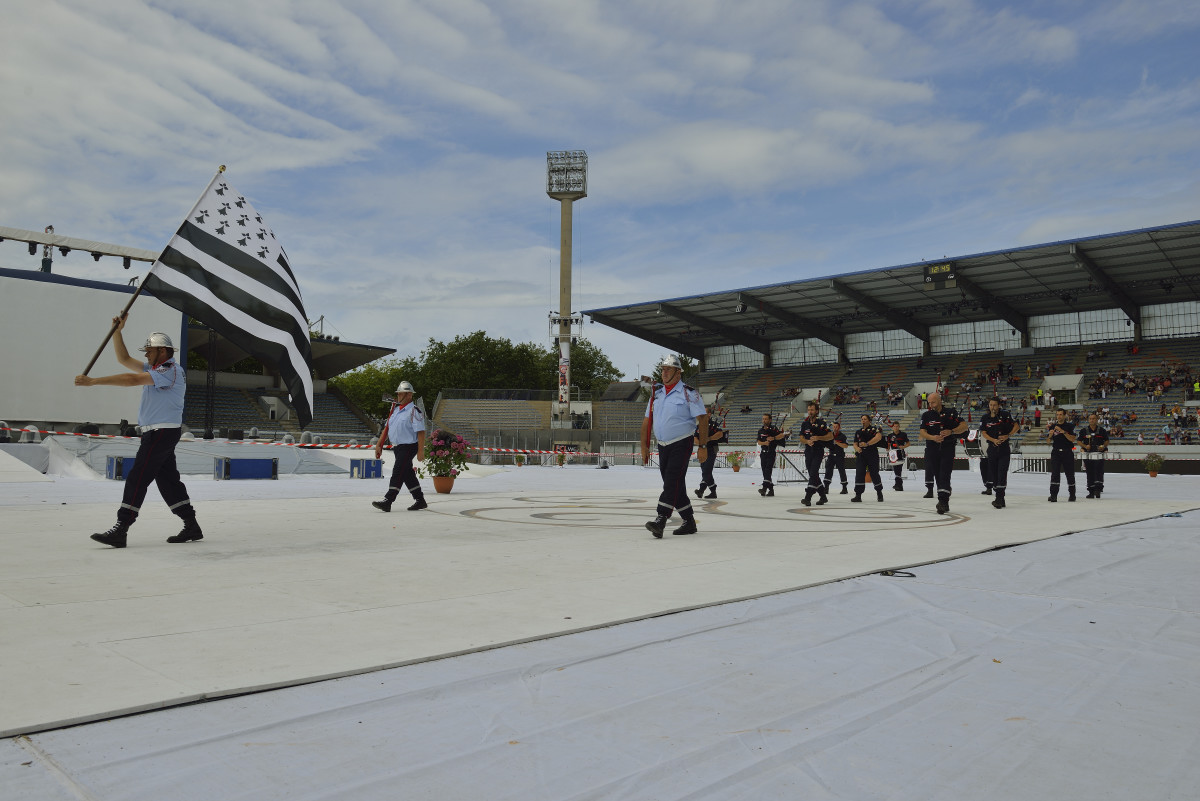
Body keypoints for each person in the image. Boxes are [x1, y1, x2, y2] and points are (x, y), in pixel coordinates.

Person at [74, 316, 200, 548]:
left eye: (149, 351)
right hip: (161, 432)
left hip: (160, 433)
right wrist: (117, 331)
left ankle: (121, 528)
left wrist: (93, 382)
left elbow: (131, 380)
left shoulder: (169, 370)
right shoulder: (157, 368)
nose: (146, 355)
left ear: (162, 351)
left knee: (138, 477)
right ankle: (191, 524)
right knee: (168, 481)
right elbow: (123, 359)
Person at [642, 355, 708, 538]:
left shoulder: (689, 393)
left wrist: (703, 446)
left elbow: (703, 419)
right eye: (663, 369)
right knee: (674, 483)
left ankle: (660, 519)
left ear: (678, 373)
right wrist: (644, 445)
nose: (664, 373)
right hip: (663, 445)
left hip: (682, 442)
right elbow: (647, 421)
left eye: (668, 369)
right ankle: (689, 521)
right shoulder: (657, 394)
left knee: (672, 480)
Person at [372, 381, 427, 512]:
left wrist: (420, 451)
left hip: (409, 446)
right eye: (398, 394)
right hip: (397, 447)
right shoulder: (396, 410)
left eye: (400, 394)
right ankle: (420, 500)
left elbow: (421, 432)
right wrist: (379, 444)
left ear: (409, 395)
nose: (398, 396)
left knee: (398, 470)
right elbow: (387, 428)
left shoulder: (414, 411)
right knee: (407, 473)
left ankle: (388, 500)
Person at [919, 392, 968, 515]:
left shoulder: (951, 412)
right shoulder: (926, 415)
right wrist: (933, 437)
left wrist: (952, 431)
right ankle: (944, 498)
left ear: (940, 400)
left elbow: (964, 426)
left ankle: (942, 501)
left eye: (933, 402)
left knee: (944, 474)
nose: (931, 405)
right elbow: (922, 432)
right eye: (929, 403)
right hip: (932, 449)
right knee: (937, 475)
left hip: (948, 448)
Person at [979, 397, 1016, 509]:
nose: (992, 407)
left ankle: (999, 499)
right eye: (990, 405)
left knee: (1002, 473)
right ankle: (1000, 498)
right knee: (994, 474)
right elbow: (983, 432)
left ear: (999, 405)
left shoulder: (1005, 415)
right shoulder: (985, 418)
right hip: (992, 449)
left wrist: (1008, 435)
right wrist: (993, 440)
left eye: (994, 405)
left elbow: (1016, 426)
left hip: (1004, 449)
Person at [795, 401, 833, 506]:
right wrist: (807, 441)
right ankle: (823, 496)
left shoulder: (822, 423)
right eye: (808, 410)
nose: (810, 412)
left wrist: (818, 438)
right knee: (814, 475)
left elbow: (830, 436)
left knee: (813, 473)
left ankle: (808, 497)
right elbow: (801, 438)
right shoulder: (804, 424)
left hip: (818, 451)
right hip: (808, 451)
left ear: (816, 411)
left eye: (812, 410)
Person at [693, 404, 726, 499]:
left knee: (706, 471)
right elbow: (695, 438)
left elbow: (720, 434)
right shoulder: (699, 425)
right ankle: (705, 491)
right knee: (705, 470)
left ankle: (709, 489)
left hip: (711, 449)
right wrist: (700, 443)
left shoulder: (714, 424)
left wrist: (709, 438)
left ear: (709, 414)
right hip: (702, 449)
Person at [1046, 408, 1078, 502]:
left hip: (1067, 452)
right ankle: (1053, 495)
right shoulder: (1053, 426)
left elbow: (1072, 439)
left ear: (1064, 415)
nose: (1058, 416)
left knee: (1070, 474)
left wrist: (1062, 431)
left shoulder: (1069, 426)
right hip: (1056, 452)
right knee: (1055, 474)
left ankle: (1072, 495)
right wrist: (1050, 436)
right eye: (1057, 414)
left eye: (1060, 414)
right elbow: (1048, 442)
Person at [851, 414, 884, 502]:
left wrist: (867, 444)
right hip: (861, 455)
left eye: (865, 419)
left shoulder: (874, 430)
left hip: (871, 454)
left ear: (869, 421)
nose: (863, 420)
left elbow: (878, 437)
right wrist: (857, 448)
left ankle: (879, 493)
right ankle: (858, 495)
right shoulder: (858, 432)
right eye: (862, 419)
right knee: (859, 474)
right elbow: (855, 443)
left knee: (874, 473)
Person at [1077, 411, 1109, 499]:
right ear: (1088, 420)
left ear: (1097, 420)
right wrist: (1085, 446)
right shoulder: (1084, 431)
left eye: (1094, 418)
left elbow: (1107, 441)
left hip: (1099, 454)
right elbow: (1078, 441)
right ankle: (1091, 491)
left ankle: (1098, 490)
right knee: (1089, 472)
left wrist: (1103, 446)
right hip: (1088, 454)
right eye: (1090, 419)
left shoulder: (1102, 430)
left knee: (1099, 471)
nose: (1092, 420)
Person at [756, 413, 788, 497]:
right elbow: (758, 442)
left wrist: (773, 438)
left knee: (768, 470)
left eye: (766, 419)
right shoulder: (760, 430)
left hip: (771, 452)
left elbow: (781, 435)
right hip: (763, 453)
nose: (764, 420)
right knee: (765, 472)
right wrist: (764, 443)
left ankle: (764, 488)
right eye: (763, 419)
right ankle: (771, 490)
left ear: (770, 420)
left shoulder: (773, 429)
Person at [823, 420, 850, 496]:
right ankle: (826, 487)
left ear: (839, 428)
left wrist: (837, 443)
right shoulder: (829, 435)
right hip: (831, 455)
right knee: (828, 471)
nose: (835, 428)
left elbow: (846, 445)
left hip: (839, 456)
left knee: (842, 471)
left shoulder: (842, 436)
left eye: (836, 427)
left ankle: (844, 488)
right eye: (834, 427)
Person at [885, 421, 909, 491]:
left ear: (899, 427)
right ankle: (898, 485)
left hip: (900, 453)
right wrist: (887, 449)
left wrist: (903, 447)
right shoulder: (890, 435)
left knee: (898, 469)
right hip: (893, 454)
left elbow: (908, 443)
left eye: (897, 426)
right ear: (892, 427)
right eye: (894, 426)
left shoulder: (903, 434)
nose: (896, 428)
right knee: (896, 469)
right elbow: (888, 444)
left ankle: (898, 485)